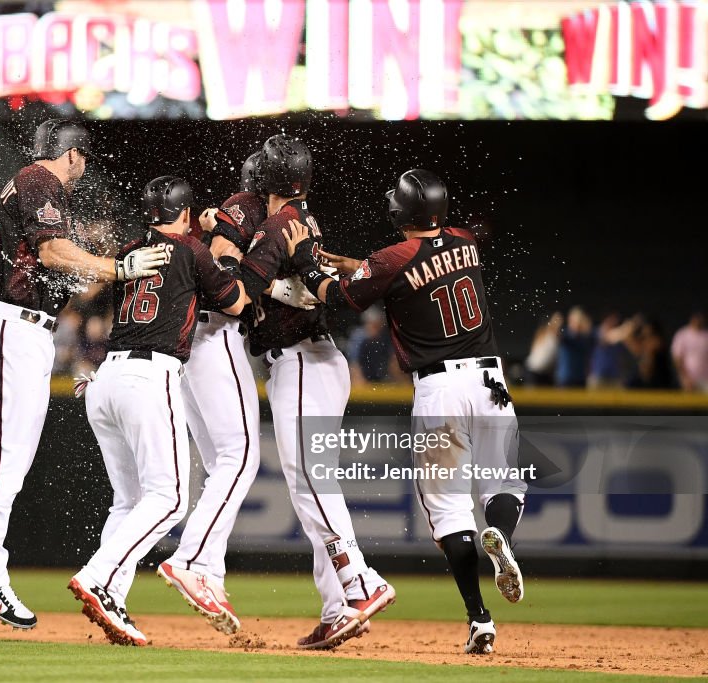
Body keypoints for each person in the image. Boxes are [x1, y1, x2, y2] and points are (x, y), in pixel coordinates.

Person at [0, 119, 167, 630]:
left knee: (4, 463)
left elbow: (58, 267)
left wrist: (107, 267)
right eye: (84, 159)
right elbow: (54, 252)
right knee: (5, 462)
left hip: (21, 329)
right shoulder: (39, 181)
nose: (84, 168)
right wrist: (119, 268)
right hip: (13, 329)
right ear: (73, 155)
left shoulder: (35, 185)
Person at [283, 168, 527, 655]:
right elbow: (409, 272)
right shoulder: (463, 242)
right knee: (506, 483)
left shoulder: (390, 259)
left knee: (448, 510)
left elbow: (341, 294)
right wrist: (360, 265)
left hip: (439, 390)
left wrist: (305, 257)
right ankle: (499, 530)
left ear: (402, 210)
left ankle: (480, 619)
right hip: (490, 381)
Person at [231, 135, 396, 651]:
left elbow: (235, 289)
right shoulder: (303, 218)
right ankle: (338, 607)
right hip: (314, 359)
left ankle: (362, 584)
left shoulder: (280, 223)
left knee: (308, 485)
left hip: (302, 359)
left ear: (270, 179)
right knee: (315, 488)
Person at [68, 175, 247, 646]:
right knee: (168, 500)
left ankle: (112, 596)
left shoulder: (130, 248)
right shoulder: (191, 248)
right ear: (185, 213)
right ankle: (98, 576)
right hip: (149, 377)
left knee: (129, 503)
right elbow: (236, 301)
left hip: (104, 376)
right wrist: (220, 246)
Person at [155, 151, 267, 635]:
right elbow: (223, 259)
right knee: (241, 456)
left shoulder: (224, 213)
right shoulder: (246, 204)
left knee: (224, 460)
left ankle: (209, 571)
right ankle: (193, 558)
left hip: (189, 345)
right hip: (214, 333)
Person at [671, 312, 708, 392]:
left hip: (705, 381)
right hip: (688, 382)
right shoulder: (682, 334)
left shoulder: (706, 335)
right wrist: (684, 378)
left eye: (701, 318)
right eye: (697, 317)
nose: (699, 320)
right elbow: (677, 359)